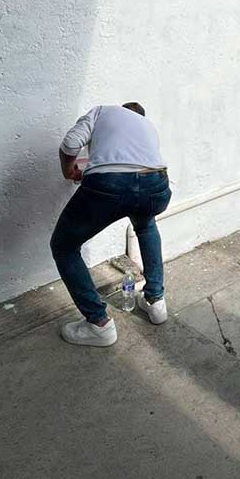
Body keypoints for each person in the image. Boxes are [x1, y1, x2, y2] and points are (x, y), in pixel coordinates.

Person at [52, 102, 171, 347]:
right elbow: (133, 170)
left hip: (111, 186)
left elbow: (71, 144)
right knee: (146, 225)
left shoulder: (103, 111)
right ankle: (156, 301)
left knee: (64, 246)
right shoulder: (148, 126)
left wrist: (69, 169)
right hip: (157, 184)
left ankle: (98, 323)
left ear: (122, 108)